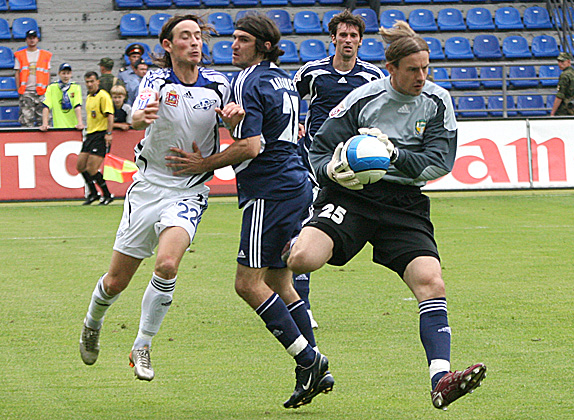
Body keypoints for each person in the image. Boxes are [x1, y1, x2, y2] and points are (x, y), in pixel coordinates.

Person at [284, 21, 486, 410]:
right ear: (391, 69)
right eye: (413, 70)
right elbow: (319, 149)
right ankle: (286, 251)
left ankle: (441, 380)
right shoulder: (363, 99)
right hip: (353, 196)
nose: (421, 77)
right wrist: (333, 171)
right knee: (303, 259)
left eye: (426, 68)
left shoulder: (438, 101)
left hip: (403, 203)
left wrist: (394, 155)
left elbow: (439, 162)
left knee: (432, 283)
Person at [165, 13, 333, 409]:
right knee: (279, 281)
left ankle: (309, 360)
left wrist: (202, 164)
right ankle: (313, 366)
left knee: (247, 284)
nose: (233, 45)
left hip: (269, 191)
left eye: (242, 39)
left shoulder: (247, 81)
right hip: (295, 183)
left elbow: (252, 146)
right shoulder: (282, 80)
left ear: (263, 45)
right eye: (234, 38)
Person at [79, 14, 232, 382]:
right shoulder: (157, 80)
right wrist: (139, 116)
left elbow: (238, 125)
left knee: (166, 265)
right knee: (115, 282)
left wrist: (237, 118)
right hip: (148, 188)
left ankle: (142, 344)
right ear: (168, 45)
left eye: (198, 36)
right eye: (185, 36)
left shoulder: (220, 84)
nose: (194, 42)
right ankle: (92, 322)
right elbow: (137, 113)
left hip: (189, 190)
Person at [292, 10, 383, 325]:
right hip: (313, 162)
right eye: (342, 35)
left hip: (351, 167)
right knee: (304, 225)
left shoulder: (371, 77)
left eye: (353, 35)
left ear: (360, 40)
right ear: (333, 38)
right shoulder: (312, 72)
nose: (348, 40)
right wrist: (295, 126)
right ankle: (301, 304)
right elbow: (288, 101)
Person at [78, 71, 115, 206]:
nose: (89, 84)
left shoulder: (103, 96)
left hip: (100, 134)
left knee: (92, 169)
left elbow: (110, 116)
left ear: (97, 82)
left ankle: (107, 194)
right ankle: (94, 193)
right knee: (80, 166)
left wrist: (109, 133)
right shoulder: (89, 97)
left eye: (92, 81)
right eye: (87, 82)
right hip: (90, 134)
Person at [14, 29, 52, 127]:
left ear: (37, 39)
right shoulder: (20, 55)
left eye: (34, 38)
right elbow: (17, 73)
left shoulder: (45, 55)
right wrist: (19, 90)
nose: (32, 40)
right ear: (26, 40)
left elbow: (47, 73)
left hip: (41, 92)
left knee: (44, 121)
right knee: (26, 120)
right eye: (30, 38)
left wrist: (47, 90)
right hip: (26, 92)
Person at [40, 63, 84, 131]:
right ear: (59, 73)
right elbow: (46, 106)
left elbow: (77, 106)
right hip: (58, 126)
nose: (66, 76)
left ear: (71, 74)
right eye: (63, 73)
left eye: (68, 73)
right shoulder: (52, 87)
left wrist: (80, 123)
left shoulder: (75, 87)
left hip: (73, 127)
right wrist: (45, 124)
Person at [550, 52, 574, 116]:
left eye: (562, 62)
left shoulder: (564, 75)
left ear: (568, 61)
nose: (560, 64)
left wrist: (553, 112)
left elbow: (560, 95)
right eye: (559, 62)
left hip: (564, 109)